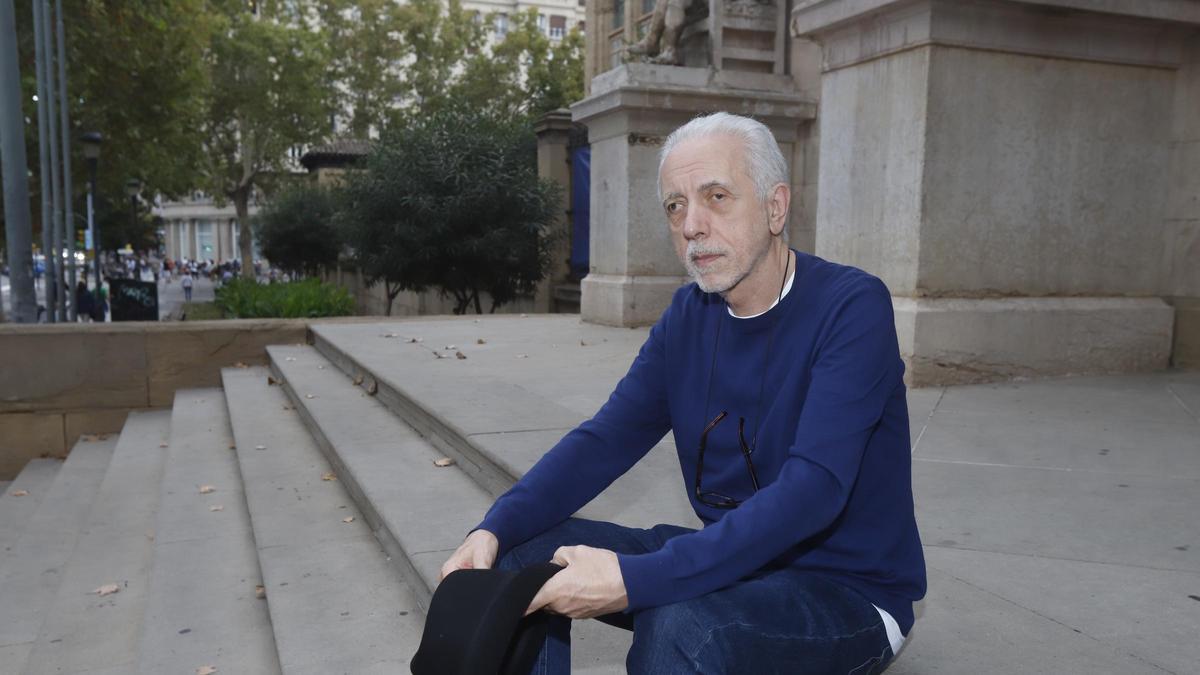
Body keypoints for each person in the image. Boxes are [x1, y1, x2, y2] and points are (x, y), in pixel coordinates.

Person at [440, 113, 926, 674]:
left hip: (846, 593)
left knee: (681, 626)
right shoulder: (688, 317)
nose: (692, 224)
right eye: (675, 205)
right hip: (737, 565)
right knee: (524, 556)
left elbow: (813, 490)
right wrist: (492, 528)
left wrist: (632, 580)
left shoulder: (852, 306)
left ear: (775, 207)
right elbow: (603, 440)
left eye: (716, 196)